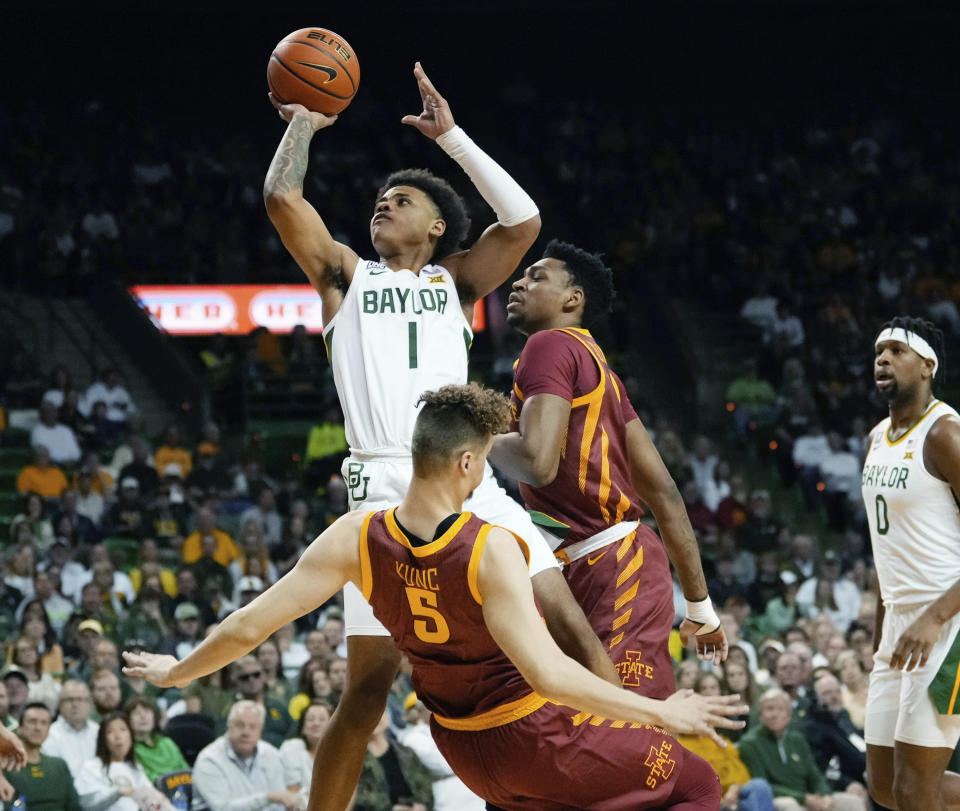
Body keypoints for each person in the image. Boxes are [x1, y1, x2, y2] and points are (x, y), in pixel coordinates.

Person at [260, 60, 620, 810]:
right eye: (379, 200)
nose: (382, 206)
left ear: (435, 227)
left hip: (469, 475)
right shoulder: (343, 276)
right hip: (385, 484)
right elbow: (281, 195)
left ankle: (621, 778)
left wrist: (452, 138)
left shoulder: (454, 282)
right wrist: (304, 121)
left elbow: (522, 222)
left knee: (571, 627)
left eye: (402, 200)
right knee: (366, 691)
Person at [123, 383, 747, 810]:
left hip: (463, 750)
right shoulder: (490, 546)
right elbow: (550, 674)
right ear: (468, 463)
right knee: (694, 781)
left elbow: (247, 626)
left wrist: (178, 671)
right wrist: (661, 714)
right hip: (532, 738)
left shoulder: (355, 536)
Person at [488, 239, 726, 698]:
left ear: (572, 300)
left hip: (612, 564)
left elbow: (537, 462)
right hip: (600, 565)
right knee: (590, 729)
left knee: (631, 736)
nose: (518, 281)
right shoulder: (603, 374)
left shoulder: (549, 345)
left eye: (537, 276)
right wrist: (699, 608)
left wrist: (471, 441)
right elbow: (665, 494)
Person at [861, 317, 960, 811]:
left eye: (897, 350)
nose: (882, 358)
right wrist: (884, 632)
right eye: (879, 351)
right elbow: (888, 548)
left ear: (927, 366)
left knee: (915, 793)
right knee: (884, 787)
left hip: (948, 621)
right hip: (900, 620)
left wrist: (936, 616)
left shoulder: (946, 434)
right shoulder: (877, 437)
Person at [737, 689, 865, 811]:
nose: (775, 714)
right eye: (770, 709)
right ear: (761, 714)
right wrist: (803, 798)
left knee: (852, 802)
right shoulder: (750, 743)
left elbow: (814, 775)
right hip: (780, 800)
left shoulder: (797, 739)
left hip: (808, 797)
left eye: (781, 709)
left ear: (789, 715)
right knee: (791, 806)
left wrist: (824, 794)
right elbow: (763, 787)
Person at [191, 700, 301, 811]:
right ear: (229, 726)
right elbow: (223, 808)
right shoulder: (209, 759)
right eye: (240, 725)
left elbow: (279, 805)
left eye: (253, 727)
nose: (246, 732)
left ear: (260, 731)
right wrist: (269, 797)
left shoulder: (271, 754)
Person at [75, 712, 171, 811]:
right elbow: (87, 805)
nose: (118, 736)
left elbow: (152, 798)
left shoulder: (135, 768)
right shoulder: (91, 768)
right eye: (110, 731)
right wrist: (118, 793)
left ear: (131, 736)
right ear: (102, 739)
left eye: (123, 730)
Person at [0, 702, 79, 810]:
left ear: (49, 730)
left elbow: (74, 806)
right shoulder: (7, 765)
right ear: (20, 727)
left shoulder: (59, 765)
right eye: (32, 722)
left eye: (44, 723)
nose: (38, 728)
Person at [355, 709, 433, 811]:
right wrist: (392, 809)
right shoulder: (357, 764)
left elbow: (425, 784)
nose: (374, 717)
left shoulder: (407, 752)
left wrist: (422, 805)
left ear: (387, 716)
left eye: (379, 710)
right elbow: (361, 798)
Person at [123, 696, 188, 781]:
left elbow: (186, 770)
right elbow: (144, 779)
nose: (143, 717)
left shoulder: (167, 743)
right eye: (136, 713)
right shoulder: (129, 749)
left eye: (147, 711)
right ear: (128, 720)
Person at [41, 679, 98, 776]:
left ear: (89, 703)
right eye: (69, 700)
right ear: (60, 704)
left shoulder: (99, 731)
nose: (75, 704)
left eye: (80, 699)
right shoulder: (49, 735)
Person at [279, 699, 332, 796]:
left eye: (322, 719)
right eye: (311, 719)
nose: (316, 723)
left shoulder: (340, 754)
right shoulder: (292, 748)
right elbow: (292, 794)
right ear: (303, 728)